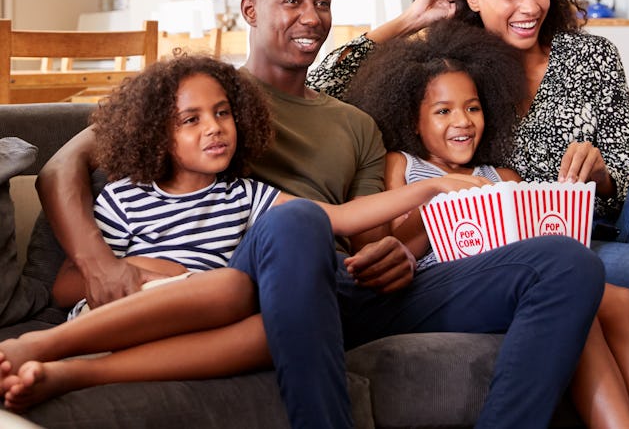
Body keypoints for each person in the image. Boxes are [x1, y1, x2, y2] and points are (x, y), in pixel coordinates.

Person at [33, 0, 606, 429]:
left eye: (323, 3)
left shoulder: (352, 122)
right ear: (250, 11)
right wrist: (102, 264)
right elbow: (61, 168)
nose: (312, 16)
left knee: (566, 265)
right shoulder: (202, 93)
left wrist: (396, 250)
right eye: (293, 2)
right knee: (298, 221)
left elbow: (367, 228)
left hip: (348, 289)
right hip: (258, 284)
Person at [311, 0, 629, 394]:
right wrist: (408, 20)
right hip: (561, 251)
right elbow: (324, 87)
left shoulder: (591, 57)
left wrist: (604, 173)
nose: (530, 7)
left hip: (616, 221)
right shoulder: (455, 73)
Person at [0, 53, 488, 411]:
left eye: (222, 113)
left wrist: (434, 188)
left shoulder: (245, 195)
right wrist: (152, 273)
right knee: (234, 284)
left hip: (210, 329)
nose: (213, 128)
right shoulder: (127, 196)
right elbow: (67, 286)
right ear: (156, 134)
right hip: (125, 320)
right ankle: (43, 349)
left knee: (278, 326)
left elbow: (339, 219)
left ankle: (68, 376)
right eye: (190, 120)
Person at [346, 18, 629, 429]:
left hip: (518, 277)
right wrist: (441, 196)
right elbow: (391, 246)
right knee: (575, 305)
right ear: (411, 118)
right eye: (443, 111)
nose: (462, 121)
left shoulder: (504, 176)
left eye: (472, 107)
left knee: (621, 300)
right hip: (450, 284)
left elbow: (537, 238)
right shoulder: (401, 166)